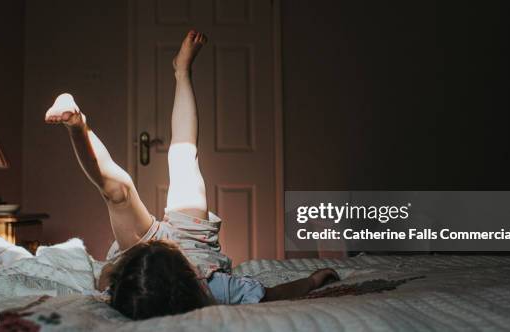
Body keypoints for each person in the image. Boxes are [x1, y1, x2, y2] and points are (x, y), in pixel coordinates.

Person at [45, 30, 339, 320]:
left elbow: (106, 275)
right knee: (184, 154)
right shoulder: (217, 289)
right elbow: (273, 295)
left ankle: (77, 125)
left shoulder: (124, 286)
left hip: (138, 254)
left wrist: (116, 268)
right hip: (192, 243)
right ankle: (181, 71)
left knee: (117, 195)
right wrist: (312, 281)